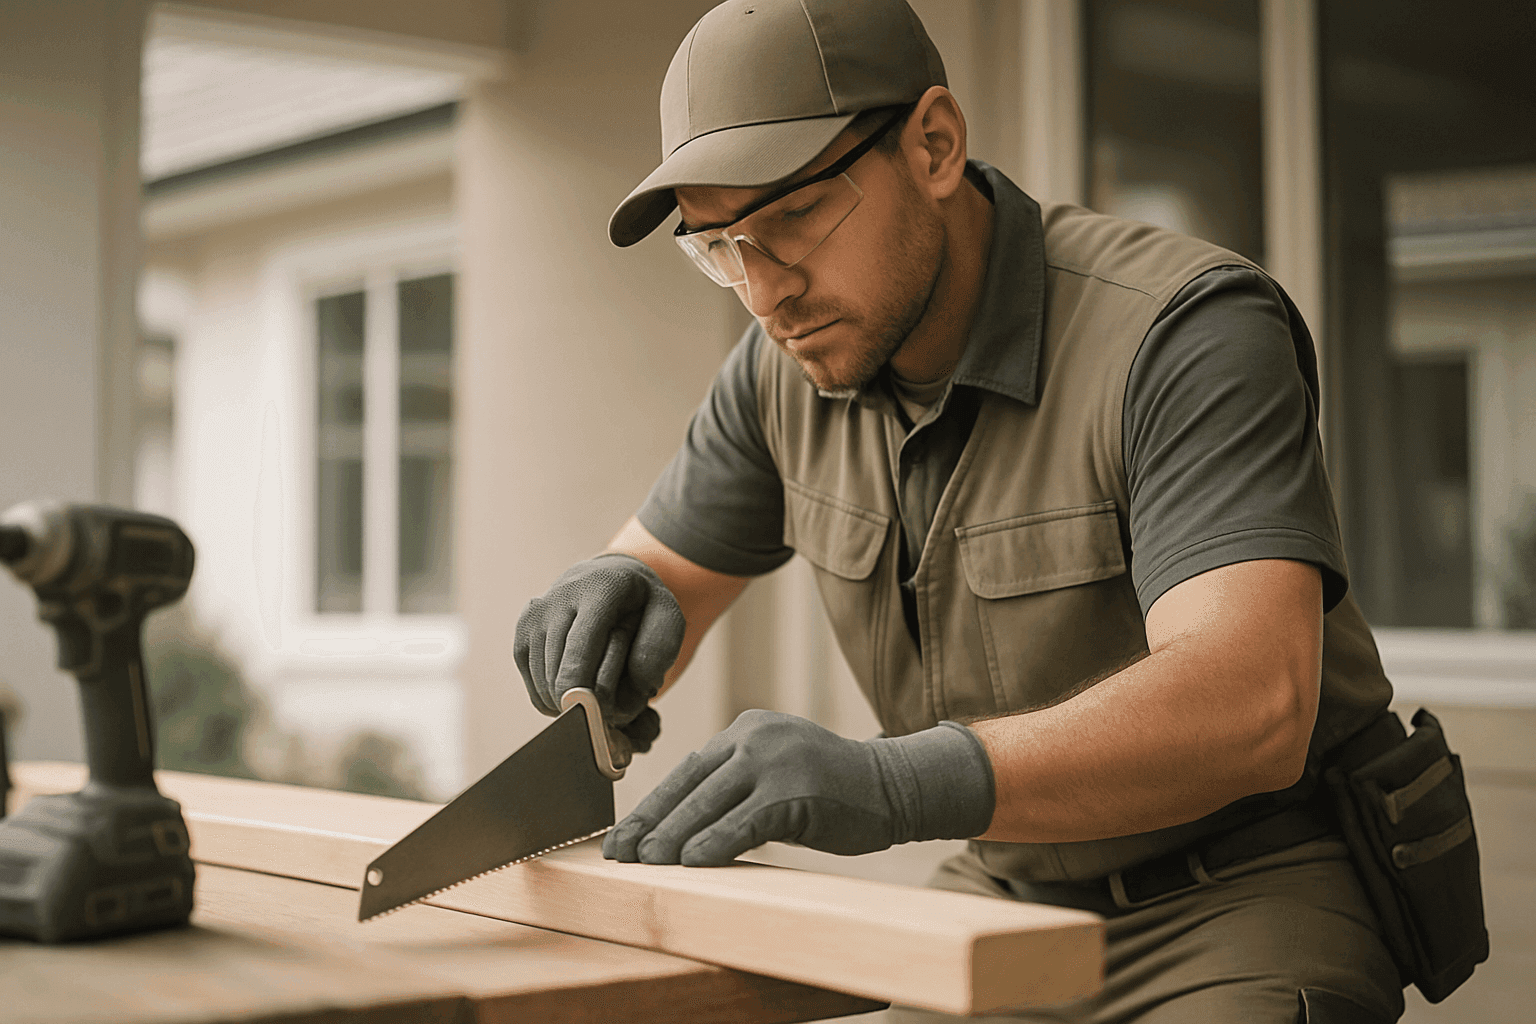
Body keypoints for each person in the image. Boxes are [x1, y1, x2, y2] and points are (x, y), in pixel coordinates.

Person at [514, 1, 1405, 1021]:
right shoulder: (778, 372)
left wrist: (896, 784)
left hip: (1241, 896)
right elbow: (656, 582)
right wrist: (610, 610)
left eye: (794, 218)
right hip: (1007, 897)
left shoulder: (1182, 333)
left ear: (934, 144)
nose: (763, 292)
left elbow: (1253, 704)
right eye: (719, 245)